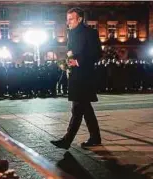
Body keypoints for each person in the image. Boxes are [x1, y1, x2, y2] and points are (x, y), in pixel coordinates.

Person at [50, 7, 102, 149]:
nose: (68, 23)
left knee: (78, 109)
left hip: (84, 77)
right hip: (75, 76)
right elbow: (71, 54)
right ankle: (95, 137)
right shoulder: (71, 33)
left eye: (71, 19)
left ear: (79, 19)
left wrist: (77, 61)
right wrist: (67, 63)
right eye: (67, 20)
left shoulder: (90, 32)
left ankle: (67, 141)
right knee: (85, 109)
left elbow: (97, 54)